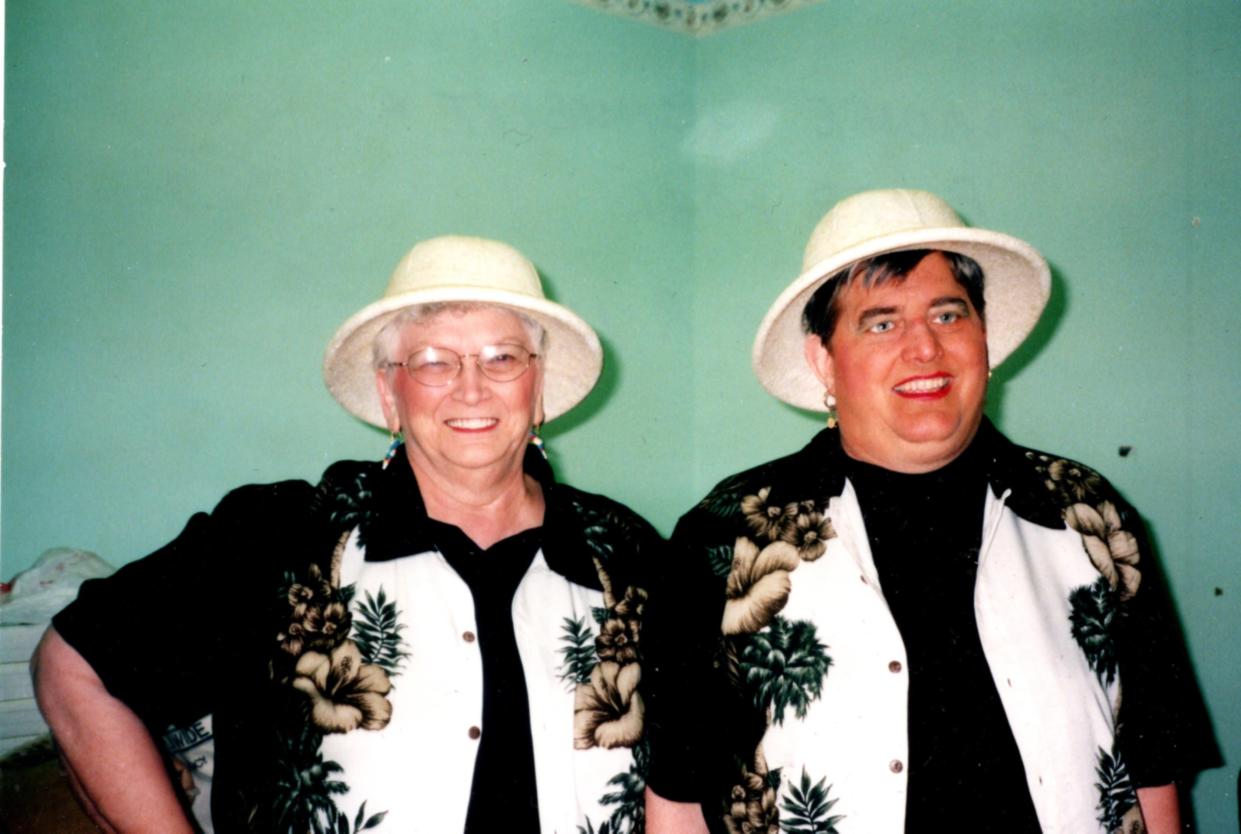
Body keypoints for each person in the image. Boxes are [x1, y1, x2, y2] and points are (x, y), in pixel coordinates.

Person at [32, 235, 660, 833]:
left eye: (502, 357)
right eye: (434, 361)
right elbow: (71, 667)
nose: (472, 386)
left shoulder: (629, 553)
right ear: (390, 393)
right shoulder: (278, 535)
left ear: (540, 385)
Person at [642, 190, 1216, 834]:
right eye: (881, 322)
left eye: (948, 316)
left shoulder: (1089, 514)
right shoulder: (724, 539)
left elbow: (1155, 765)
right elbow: (677, 796)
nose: (924, 349)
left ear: (984, 335)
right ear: (822, 360)